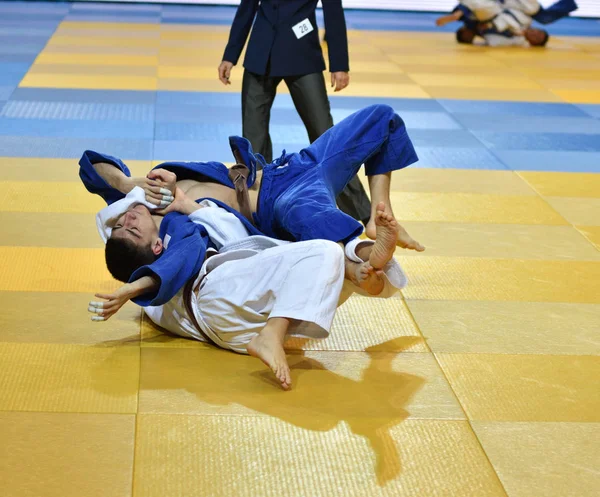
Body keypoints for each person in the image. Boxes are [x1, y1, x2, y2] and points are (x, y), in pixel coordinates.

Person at [81, 105, 424, 308]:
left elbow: (91, 165)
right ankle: (359, 261)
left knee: (383, 118)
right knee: (305, 215)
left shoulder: (138, 198)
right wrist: (134, 288)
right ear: (155, 245)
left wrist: (126, 184)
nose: (127, 219)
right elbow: (177, 262)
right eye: (132, 229)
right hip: (279, 202)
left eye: (120, 223)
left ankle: (380, 214)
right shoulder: (180, 227)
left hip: (290, 167)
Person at [217, 0, 372, 226]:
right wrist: (231, 55)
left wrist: (339, 64)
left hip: (302, 55)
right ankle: (257, 209)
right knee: (253, 140)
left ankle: (363, 213)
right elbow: (247, 7)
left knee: (326, 138)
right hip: (261, 54)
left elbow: (333, 13)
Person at [436, 0, 577, 47]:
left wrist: (486, 28)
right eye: (538, 34)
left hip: (493, 9)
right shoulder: (525, 23)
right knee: (533, 9)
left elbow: (493, 35)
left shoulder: (481, 28)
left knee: (483, 11)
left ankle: (457, 14)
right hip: (509, 5)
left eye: (535, 38)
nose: (534, 35)